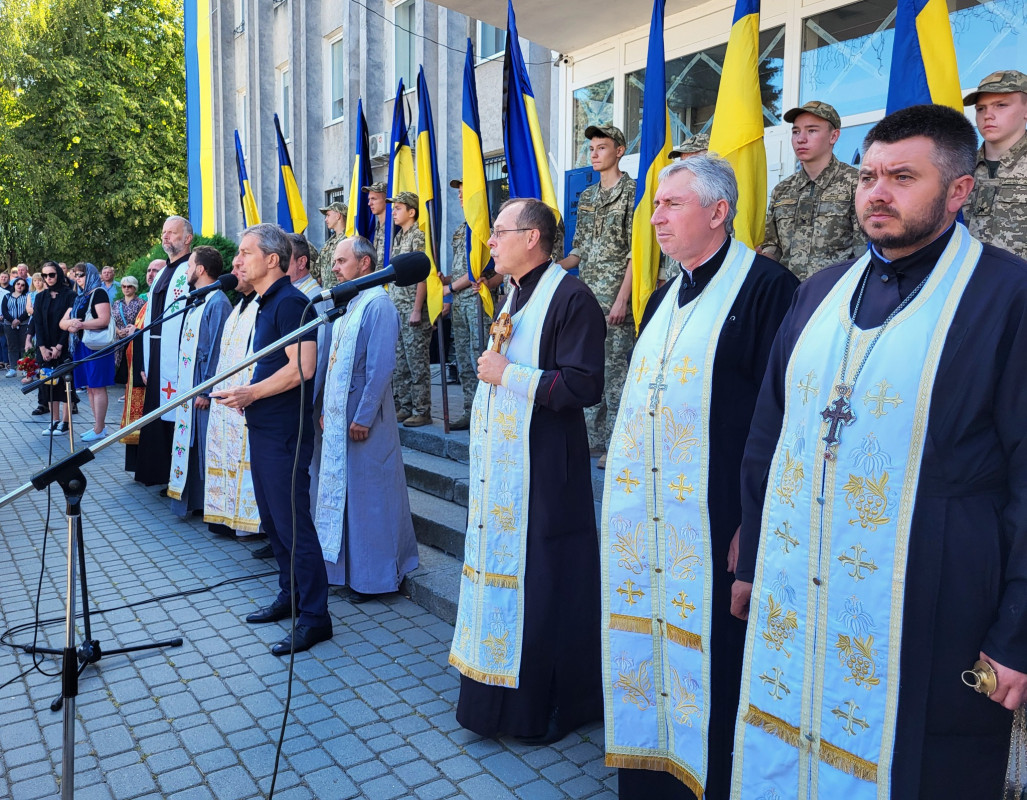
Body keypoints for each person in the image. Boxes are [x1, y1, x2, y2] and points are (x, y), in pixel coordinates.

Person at [730, 104, 1027, 798]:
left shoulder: (1007, 296)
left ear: (958, 191)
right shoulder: (819, 291)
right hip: (799, 592)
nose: (876, 193)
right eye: (867, 176)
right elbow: (770, 433)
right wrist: (751, 555)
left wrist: (1016, 629)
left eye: (901, 176)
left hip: (936, 600)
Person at [599, 156, 798, 800]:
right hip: (650, 520)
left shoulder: (769, 288)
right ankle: (652, 770)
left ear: (718, 212)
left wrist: (754, 519)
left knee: (717, 661)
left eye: (672, 204)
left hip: (718, 522)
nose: (655, 216)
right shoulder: (662, 294)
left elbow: (783, 417)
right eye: (655, 204)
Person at [449, 198, 607, 744]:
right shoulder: (514, 292)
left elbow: (586, 385)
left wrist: (507, 375)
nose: (490, 241)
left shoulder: (572, 296)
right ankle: (493, 705)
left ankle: (545, 708)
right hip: (505, 469)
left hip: (545, 471)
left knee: (546, 585)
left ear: (533, 238)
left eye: (498, 231)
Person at [213, 223, 331, 656]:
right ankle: (291, 594)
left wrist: (251, 393)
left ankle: (316, 617)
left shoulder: (292, 303)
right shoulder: (265, 304)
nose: (237, 261)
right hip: (263, 428)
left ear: (272, 260)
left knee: (293, 526)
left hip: (286, 432)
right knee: (274, 523)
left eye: (245, 253)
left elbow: (304, 366)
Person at [314, 235, 419, 600]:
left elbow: (380, 368)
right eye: (335, 262)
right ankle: (345, 571)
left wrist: (362, 416)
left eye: (342, 261)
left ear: (365, 264)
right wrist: (330, 410)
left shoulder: (378, 304)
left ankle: (377, 577)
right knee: (346, 497)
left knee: (372, 498)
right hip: (342, 417)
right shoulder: (350, 303)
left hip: (366, 420)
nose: (334, 268)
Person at [558, 125, 635, 469]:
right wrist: (552, 269)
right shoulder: (588, 197)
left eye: (601, 147)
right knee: (590, 370)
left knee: (617, 375)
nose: (593, 153)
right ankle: (590, 438)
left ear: (619, 151)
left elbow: (638, 252)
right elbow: (579, 250)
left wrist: (622, 299)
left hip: (617, 301)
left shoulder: (634, 192)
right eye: (591, 147)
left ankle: (615, 443)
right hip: (588, 300)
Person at [758, 101, 865, 281]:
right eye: (796, 131)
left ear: (834, 136)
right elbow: (773, 246)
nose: (801, 139)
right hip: (788, 296)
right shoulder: (782, 190)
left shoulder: (856, 183)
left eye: (812, 130)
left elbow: (862, 251)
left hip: (834, 295)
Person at [167, 246, 232, 518]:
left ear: (201, 269)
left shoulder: (217, 303)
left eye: (190, 265)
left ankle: (211, 503)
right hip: (190, 383)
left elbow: (217, 349)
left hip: (204, 388)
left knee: (206, 445)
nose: (187, 272)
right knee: (190, 442)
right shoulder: (200, 299)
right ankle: (193, 499)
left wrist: (206, 389)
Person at [204, 251, 263, 541]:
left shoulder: (261, 306)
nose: (235, 271)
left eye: (241, 266)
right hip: (226, 396)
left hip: (246, 397)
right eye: (234, 266)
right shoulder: (239, 305)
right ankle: (226, 514)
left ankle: (248, 522)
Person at [441, 179, 503, 431]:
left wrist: (451, 287)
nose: (460, 197)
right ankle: (471, 410)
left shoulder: (486, 229)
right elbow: (459, 269)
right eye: (458, 193)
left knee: (482, 357)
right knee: (465, 361)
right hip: (459, 304)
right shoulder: (460, 229)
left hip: (477, 301)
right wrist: (444, 282)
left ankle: (488, 413)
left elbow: (482, 272)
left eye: (465, 193)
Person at [136, 217, 192, 486]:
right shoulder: (161, 272)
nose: (166, 237)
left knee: (172, 411)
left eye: (172, 232)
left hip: (178, 350)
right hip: (156, 348)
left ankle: (176, 474)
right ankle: (156, 471)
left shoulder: (190, 269)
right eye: (164, 232)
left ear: (188, 238)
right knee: (156, 410)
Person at [963, 70, 1027, 260]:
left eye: (1001, 105)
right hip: (966, 284)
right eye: (981, 108)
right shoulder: (959, 168)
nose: (987, 115)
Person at [387, 191, 432, 427]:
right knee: (400, 361)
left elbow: (423, 275)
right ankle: (405, 406)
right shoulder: (398, 238)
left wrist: (416, 309)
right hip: (398, 307)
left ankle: (422, 409)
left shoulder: (418, 236)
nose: (393, 212)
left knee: (417, 362)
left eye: (398, 208)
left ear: (411, 212)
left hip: (413, 309)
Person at [60, 263, 116, 441]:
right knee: (91, 388)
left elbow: (104, 320)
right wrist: (70, 325)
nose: (78, 278)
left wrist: (80, 324)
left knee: (98, 387)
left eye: (82, 274)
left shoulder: (99, 293)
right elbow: (63, 321)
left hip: (96, 346)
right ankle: (97, 426)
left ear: (90, 274)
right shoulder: (79, 296)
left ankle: (100, 428)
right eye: (75, 275)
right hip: (81, 345)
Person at [118, 273, 151, 471]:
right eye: (149, 271)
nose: (151, 275)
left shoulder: (148, 302)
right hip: (134, 366)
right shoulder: (148, 302)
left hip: (145, 369)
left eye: (156, 271)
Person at [312, 201, 347, 289]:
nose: (325, 219)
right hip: (328, 295)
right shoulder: (328, 243)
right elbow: (316, 271)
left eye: (328, 215)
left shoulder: (348, 241)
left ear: (338, 215)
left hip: (342, 293)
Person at [2, 277, 30, 377]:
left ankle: (23, 369)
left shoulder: (27, 296)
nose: (20, 286)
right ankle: (13, 368)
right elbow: (4, 311)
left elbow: (28, 310)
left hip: (23, 324)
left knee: (24, 346)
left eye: (23, 285)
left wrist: (19, 320)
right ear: (14, 285)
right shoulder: (7, 296)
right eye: (18, 284)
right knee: (12, 346)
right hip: (10, 325)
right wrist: (12, 320)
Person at [364, 182, 388, 268]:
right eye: (369, 199)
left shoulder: (394, 228)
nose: (369, 203)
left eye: (373, 199)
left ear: (386, 199)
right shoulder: (376, 228)